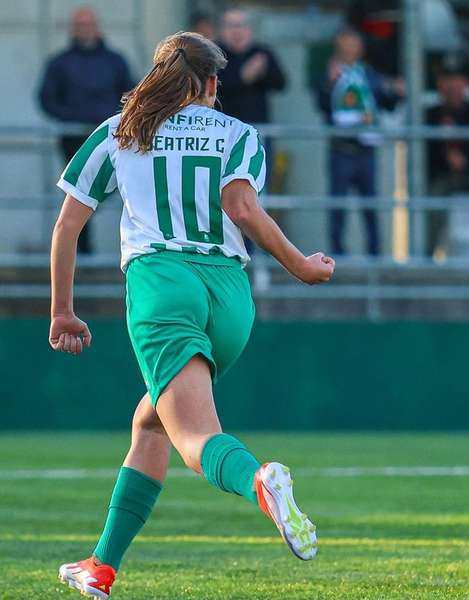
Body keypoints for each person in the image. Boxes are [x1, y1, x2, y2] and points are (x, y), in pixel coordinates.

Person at [51, 32, 334, 599]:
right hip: (230, 297)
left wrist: (62, 311)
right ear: (210, 82)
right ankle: (101, 566)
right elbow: (242, 208)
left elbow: (68, 226)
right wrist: (301, 265)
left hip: (163, 286)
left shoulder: (120, 130)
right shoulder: (238, 133)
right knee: (152, 422)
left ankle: (259, 480)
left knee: (196, 437)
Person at [39, 6, 133, 254]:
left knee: (109, 190)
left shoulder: (115, 61)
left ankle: (98, 249)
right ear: (73, 29)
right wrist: (74, 117)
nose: (85, 30)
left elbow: (131, 93)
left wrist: (112, 119)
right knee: (79, 193)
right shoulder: (60, 63)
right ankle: (83, 254)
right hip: (75, 139)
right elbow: (47, 99)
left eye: (89, 24)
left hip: (112, 138)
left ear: (97, 26)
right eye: (80, 25)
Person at [317, 28, 404, 256]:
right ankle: (337, 257)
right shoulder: (329, 73)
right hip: (341, 149)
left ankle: (375, 256)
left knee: (371, 207)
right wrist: (329, 83)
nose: (349, 50)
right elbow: (322, 104)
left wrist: (396, 92)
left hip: (366, 149)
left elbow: (386, 103)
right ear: (337, 46)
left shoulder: (368, 74)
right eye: (345, 45)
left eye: (353, 45)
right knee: (338, 207)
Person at [425, 68, 469, 256]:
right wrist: (447, 157)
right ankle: (429, 252)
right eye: (448, 84)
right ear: (440, 86)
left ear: (466, 85)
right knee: (433, 199)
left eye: (457, 84)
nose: (453, 89)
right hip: (443, 173)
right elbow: (426, 152)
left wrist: (465, 160)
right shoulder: (430, 114)